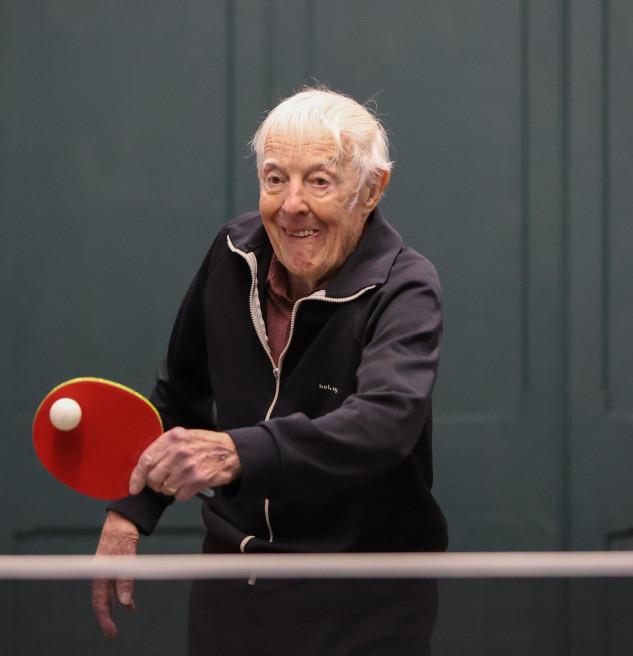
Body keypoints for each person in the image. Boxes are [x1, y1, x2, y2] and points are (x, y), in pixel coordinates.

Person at [92, 87, 447, 654]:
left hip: (362, 605)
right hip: (231, 596)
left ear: (372, 189)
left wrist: (237, 453)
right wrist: (130, 512)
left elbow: (385, 422)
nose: (291, 205)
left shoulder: (406, 285)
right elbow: (179, 396)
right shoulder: (233, 254)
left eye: (320, 181)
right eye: (275, 178)